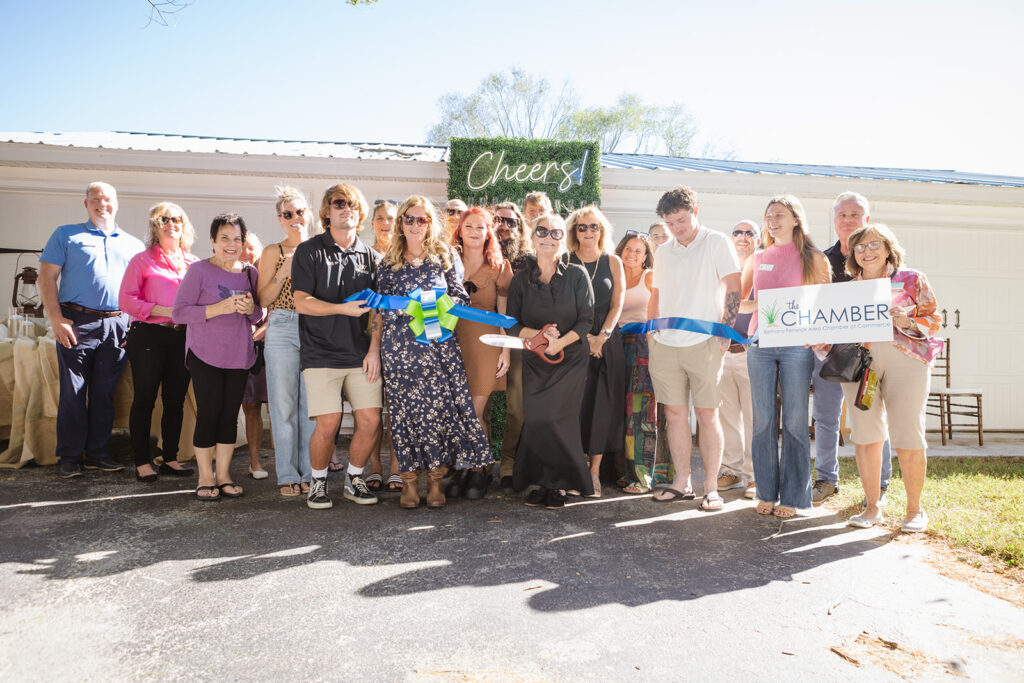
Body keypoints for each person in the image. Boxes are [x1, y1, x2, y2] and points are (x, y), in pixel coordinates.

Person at [376, 196, 494, 509]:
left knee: (438, 415)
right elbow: (379, 308)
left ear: (431, 224)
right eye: (409, 219)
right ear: (401, 223)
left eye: (422, 219)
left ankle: (436, 481)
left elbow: (460, 298)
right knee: (404, 417)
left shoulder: (445, 256)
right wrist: (405, 309)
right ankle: (409, 483)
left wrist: (440, 305)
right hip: (400, 351)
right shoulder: (387, 263)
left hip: (438, 349)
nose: (415, 225)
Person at [839, 224, 941, 532]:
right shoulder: (845, 289)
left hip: (906, 359)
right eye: (859, 247)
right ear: (852, 254)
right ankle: (872, 508)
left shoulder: (911, 279)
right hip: (860, 364)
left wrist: (907, 320)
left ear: (887, 248)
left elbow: (934, 320)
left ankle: (914, 511)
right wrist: (818, 339)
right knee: (866, 434)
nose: (866, 252)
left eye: (873, 245)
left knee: (908, 432)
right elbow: (832, 328)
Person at [39, 182, 144, 479]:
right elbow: (46, 279)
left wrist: (133, 324)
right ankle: (70, 456)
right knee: (74, 391)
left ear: (117, 203)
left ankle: (98, 454)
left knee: (104, 393)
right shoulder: (66, 234)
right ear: (85, 203)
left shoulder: (133, 244)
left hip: (118, 323)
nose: (102, 204)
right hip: (77, 321)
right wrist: (56, 319)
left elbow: (139, 290)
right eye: (95, 199)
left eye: (107, 199)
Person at [648, 186, 740, 512]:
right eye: (671, 222)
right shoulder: (663, 251)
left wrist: (725, 333)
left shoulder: (716, 242)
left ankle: (711, 489)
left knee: (707, 415)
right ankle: (682, 482)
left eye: (682, 220)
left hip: (705, 342)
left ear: (695, 212)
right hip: (665, 344)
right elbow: (656, 295)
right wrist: (652, 333)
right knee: (674, 416)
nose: (677, 228)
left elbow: (732, 285)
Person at [291, 183, 383, 509]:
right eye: (339, 203)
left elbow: (377, 311)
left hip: (361, 356)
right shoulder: (309, 251)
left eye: (352, 204)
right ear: (327, 211)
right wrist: (341, 308)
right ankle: (318, 483)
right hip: (320, 354)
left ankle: (354, 479)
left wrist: (374, 350)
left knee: (371, 420)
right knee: (328, 423)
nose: (346, 208)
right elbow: (301, 301)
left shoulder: (373, 258)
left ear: (360, 213)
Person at [741, 195, 831, 518]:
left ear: (796, 219)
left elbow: (826, 305)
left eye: (780, 214)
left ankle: (793, 497)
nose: (773, 220)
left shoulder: (815, 259)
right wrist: (758, 305)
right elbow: (739, 303)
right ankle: (765, 492)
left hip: (797, 348)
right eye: (768, 215)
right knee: (763, 422)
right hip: (760, 345)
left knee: (794, 423)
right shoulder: (758, 257)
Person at [172, 213, 264, 501]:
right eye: (224, 238)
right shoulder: (198, 271)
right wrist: (219, 308)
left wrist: (250, 308)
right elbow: (179, 313)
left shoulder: (250, 273)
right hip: (205, 354)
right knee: (209, 414)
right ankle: (205, 477)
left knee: (228, 418)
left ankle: (223, 475)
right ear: (212, 241)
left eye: (237, 238)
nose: (231, 244)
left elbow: (259, 315)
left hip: (238, 354)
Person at [507, 213, 595, 508]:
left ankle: (559, 485)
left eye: (555, 233)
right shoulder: (521, 280)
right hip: (535, 358)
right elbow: (511, 324)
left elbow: (586, 321)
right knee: (537, 419)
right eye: (542, 231)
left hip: (569, 359)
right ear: (532, 238)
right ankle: (542, 481)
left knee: (559, 419)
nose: (548, 238)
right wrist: (541, 335)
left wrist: (559, 341)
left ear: (563, 239)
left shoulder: (577, 275)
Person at [811, 191, 892, 506]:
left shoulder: (879, 256)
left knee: (871, 415)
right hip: (827, 353)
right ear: (834, 220)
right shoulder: (819, 259)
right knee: (825, 417)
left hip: (870, 353)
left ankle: (880, 485)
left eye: (855, 214)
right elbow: (811, 304)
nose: (848, 220)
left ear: (867, 220)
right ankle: (826, 480)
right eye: (842, 214)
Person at [118, 202, 199, 482]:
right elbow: (126, 299)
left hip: (182, 337)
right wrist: (164, 310)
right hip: (149, 335)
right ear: (155, 224)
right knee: (144, 399)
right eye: (164, 219)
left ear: (183, 225)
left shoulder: (193, 262)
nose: (171, 223)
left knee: (175, 401)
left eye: (177, 219)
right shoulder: (142, 260)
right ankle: (142, 461)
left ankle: (170, 458)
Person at [448, 207, 512, 499]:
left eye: (480, 227)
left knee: (475, 410)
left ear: (489, 233)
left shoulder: (500, 266)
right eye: (469, 226)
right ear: (460, 229)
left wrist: (506, 351)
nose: (474, 232)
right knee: (458, 409)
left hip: (486, 343)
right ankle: (464, 466)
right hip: (451, 340)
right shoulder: (447, 262)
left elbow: (504, 311)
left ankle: (478, 468)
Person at [257, 186, 316, 497]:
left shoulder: (321, 249)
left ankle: (311, 473)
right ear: (280, 219)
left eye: (299, 212)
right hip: (281, 324)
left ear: (308, 213)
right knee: (283, 405)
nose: (295, 218)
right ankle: (286, 475)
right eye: (288, 214)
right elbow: (263, 299)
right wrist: (283, 272)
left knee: (312, 406)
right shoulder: (272, 252)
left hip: (316, 328)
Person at [567, 206, 625, 497]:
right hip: (573, 340)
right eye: (582, 227)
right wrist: (584, 338)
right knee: (574, 406)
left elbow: (617, 304)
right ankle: (575, 468)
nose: (588, 232)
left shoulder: (613, 261)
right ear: (573, 231)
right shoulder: (564, 260)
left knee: (603, 405)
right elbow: (562, 305)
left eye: (594, 227)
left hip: (606, 342)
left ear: (602, 231)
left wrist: (601, 337)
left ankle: (594, 472)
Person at [615, 231, 669, 494]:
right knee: (619, 412)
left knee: (642, 413)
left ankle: (644, 475)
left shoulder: (650, 277)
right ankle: (624, 472)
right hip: (615, 346)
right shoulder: (613, 275)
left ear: (647, 256)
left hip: (642, 348)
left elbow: (665, 308)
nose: (632, 254)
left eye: (639, 250)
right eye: (628, 249)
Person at [717, 220, 760, 499]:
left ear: (757, 239)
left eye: (749, 233)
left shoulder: (764, 270)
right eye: (737, 232)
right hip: (722, 351)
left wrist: (739, 304)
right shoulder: (722, 268)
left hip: (751, 352)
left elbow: (768, 304)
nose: (743, 237)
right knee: (726, 417)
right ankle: (730, 471)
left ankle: (755, 476)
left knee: (755, 418)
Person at [492, 201, 533, 493]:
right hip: (477, 337)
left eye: (511, 222)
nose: (504, 226)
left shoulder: (530, 261)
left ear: (520, 227)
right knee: (476, 407)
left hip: (519, 342)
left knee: (518, 409)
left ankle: (511, 463)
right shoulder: (478, 255)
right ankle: (473, 467)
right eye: (498, 220)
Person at [363, 198, 401, 491]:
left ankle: (396, 467)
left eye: (391, 218)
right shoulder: (363, 255)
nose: (386, 223)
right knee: (372, 408)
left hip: (402, 340)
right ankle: (374, 466)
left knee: (397, 408)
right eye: (380, 218)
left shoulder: (406, 255)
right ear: (372, 223)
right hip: (366, 338)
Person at [239, 231, 269, 481]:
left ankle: (255, 461)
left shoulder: (263, 277)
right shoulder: (223, 275)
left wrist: (253, 337)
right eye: (241, 246)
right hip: (228, 350)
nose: (246, 252)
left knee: (252, 406)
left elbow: (274, 316)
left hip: (257, 350)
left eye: (251, 248)